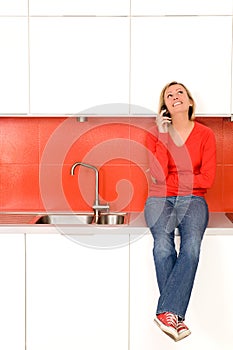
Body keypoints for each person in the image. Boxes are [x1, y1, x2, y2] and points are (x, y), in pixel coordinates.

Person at [144, 81, 216, 342]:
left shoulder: (205, 135)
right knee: (162, 246)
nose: (175, 97)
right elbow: (157, 175)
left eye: (180, 93)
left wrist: (176, 182)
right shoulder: (155, 134)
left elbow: (207, 179)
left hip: (193, 199)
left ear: (189, 102)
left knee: (192, 247)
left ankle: (167, 312)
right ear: (164, 106)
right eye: (169, 95)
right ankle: (175, 316)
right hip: (159, 199)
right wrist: (163, 135)